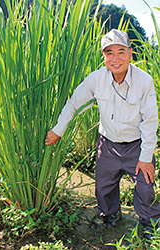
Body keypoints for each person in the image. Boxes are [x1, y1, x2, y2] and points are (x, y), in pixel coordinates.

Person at [45, 29, 160, 239]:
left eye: (121, 52)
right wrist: (57, 131)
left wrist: (145, 159)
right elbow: (73, 104)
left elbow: (150, 123)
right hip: (107, 145)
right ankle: (110, 216)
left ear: (130, 53)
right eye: (109, 53)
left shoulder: (144, 81)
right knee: (103, 187)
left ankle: (150, 225)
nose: (115, 58)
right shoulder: (95, 79)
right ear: (104, 57)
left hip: (137, 145)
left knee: (145, 188)